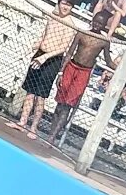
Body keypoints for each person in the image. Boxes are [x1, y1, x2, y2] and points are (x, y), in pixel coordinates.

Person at [10, 0, 77, 140]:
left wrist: (45, 57)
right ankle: (22, 122)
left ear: (72, 7)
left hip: (52, 60)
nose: (65, 7)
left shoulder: (70, 24)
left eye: (69, 4)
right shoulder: (53, 17)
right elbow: (44, 35)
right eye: (64, 3)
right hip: (39, 54)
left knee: (40, 96)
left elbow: (63, 48)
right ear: (59, 2)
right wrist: (32, 48)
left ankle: (33, 128)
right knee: (29, 91)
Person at [47, 11, 118, 147]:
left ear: (104, 26)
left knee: (68, 104)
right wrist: (61, 72)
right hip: (71, 67)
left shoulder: (104, 41)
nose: (97, 25)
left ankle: (53, 137)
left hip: (84, 72)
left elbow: (109, 61)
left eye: (100, 24)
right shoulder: (81, 33)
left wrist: (122, 70)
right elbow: (70, 53)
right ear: (92, 20)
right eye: (96, 22)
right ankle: (51, 132)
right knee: (60, 102)